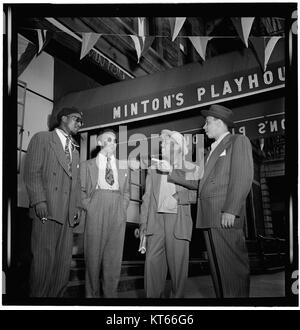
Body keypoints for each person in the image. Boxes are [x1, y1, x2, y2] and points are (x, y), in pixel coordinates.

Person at [159, 104, 254, 298]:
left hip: (224, 215)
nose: (204, 127)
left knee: (232, 270)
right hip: (210, 216)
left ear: (220, 123)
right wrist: (171, 172)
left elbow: (242, 176)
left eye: (208, 122)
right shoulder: (210, 152)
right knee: (219, 273)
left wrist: (231, 209)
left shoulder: (238, 141)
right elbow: (200, 184)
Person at [24, 107, 84, 297]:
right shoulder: (42, 138)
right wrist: (39, 200)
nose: (79, 123)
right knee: (43, 263)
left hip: (67, 216)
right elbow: (32, 173)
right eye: (76, 119)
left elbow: (76, 183)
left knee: (62, 267)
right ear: (63, 118)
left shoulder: (75, 150)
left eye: (81, 121)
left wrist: (77, 207)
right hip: (47, 211)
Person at [139, 130, 198, 298]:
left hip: (178, 220)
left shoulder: (191, 167)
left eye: (166, 143)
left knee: (178, 271)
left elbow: (200, 192)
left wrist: (179, 197)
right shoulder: (153, 168)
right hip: (156, 221)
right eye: (162, 143)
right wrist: (143, 223)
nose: (161, 145)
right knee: (151, 264)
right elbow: (147, 198)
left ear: (178, 147)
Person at [80, 130, 131, 298]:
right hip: (97, 206)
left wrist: (122, 208)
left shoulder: (123, 166)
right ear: (100, 143)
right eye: (109, 140)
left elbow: (127, 192)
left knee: (114, 260)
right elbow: (80, 191)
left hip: (117, 208)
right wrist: (90, 206)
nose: (113, 143)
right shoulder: (87, 165)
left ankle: (111, 298)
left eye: (115, 140)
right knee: (92, 260)